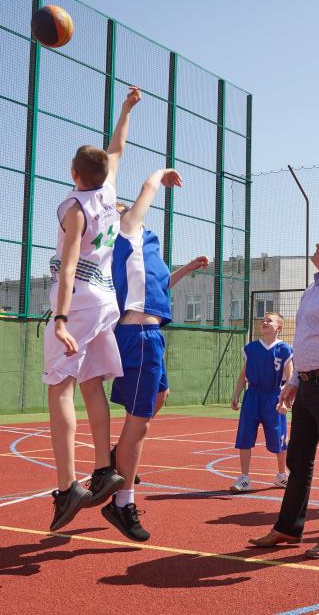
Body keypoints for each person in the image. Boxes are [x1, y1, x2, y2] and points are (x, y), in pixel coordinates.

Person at [42, 86, 141, 532]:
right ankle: (104, 468)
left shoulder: (75, 207)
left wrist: (61, 319)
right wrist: (126, 109)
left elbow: (67, 268)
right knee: (91, 384)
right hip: (106, 300)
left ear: (73, 174)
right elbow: (117, 148)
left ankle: (68, 486)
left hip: (79, 299)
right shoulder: (108, 191)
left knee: (59, 387)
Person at [103, 167, 209, 541]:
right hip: (138, 335)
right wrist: (160, 174)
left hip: (151, 334)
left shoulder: (147, 246)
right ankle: (121, 501)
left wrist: (188, 268)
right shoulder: (123, 232)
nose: (128, 211)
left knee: (161, 396)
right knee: (140, 422)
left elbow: (160, 285)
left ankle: (120, 454)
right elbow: (146, 191)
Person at [248, 228, 319, 559]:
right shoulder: (315, 288)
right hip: (308, 384)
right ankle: (288, 527)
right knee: (298, 460)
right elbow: (306, 340)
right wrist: (295, 380)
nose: (317, 244)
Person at [230, 312, 294, 493]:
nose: (264, 322)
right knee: (245, 436)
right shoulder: (251, 348)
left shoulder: (284, 349)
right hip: (252, 396)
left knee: (279, 437)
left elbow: (290, 379)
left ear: (279, 327)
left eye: (269, 321)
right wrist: (236, 393)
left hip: (274, 397)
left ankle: (282, 475)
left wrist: (285, 401)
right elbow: (243, 375)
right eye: (263, 320)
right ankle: (244, 478)